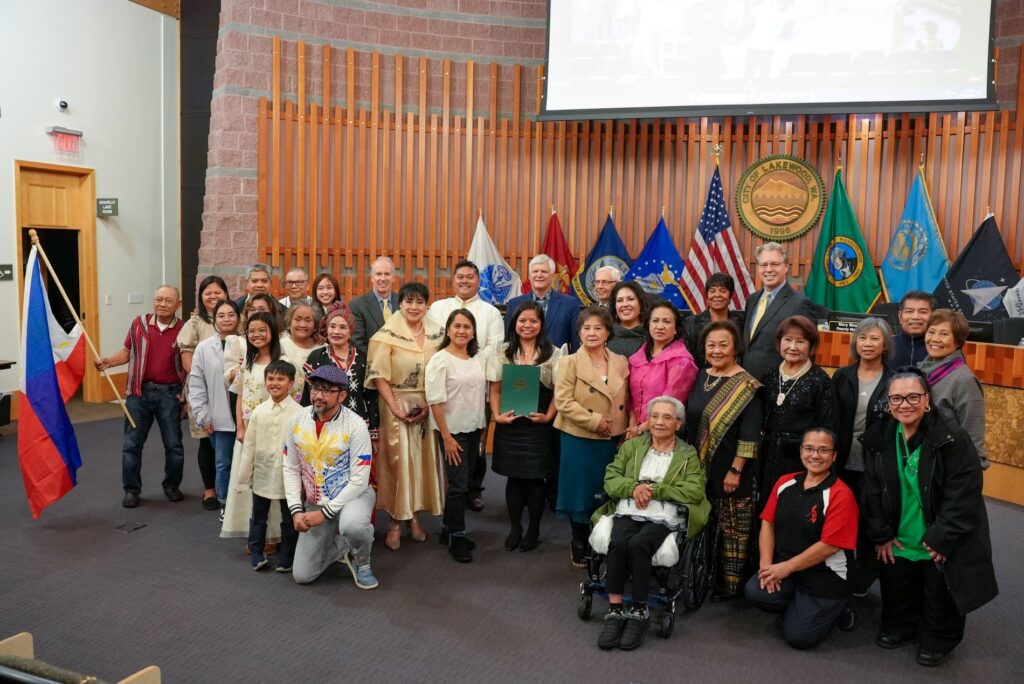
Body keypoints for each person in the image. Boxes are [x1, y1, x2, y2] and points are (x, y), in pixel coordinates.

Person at [861, 368, 997, 667]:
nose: (904, 404)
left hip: (938, 533)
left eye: (913, 397)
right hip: (898, 531)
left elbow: (964, 494)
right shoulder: (879, 436)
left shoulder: (952, 438)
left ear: (927, 401)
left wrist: (943, 537)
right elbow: (871, 488)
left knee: (939, 590)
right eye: (896, 398)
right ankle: (900, 626)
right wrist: (880, 532)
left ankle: (937, 638)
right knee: (897, 584)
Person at [593, 396, 710, 652]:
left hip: (665, 514)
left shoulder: (687, 454)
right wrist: (634, 487)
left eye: (667, 417)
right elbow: (611, 478)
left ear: (678, 424)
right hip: (628, 508)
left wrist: (655, 490)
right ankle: (614, 610)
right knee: (619, 542)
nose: (659, 422)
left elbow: (694, 490)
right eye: (655, 416)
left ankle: (638, 611)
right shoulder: (632, 447)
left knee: (639, 544)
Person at [745, 428, 858, 649]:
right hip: (788, 567)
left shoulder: (840, 494)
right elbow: (767, 523)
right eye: (809, 449)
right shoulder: (784, 482)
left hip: (825, 576)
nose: (815, 455)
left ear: (834, 456)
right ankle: (802, 607)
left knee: (799, 637)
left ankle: (839, 607)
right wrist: (767, 566)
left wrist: (784, 569)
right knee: (755, 592)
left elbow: (829, 546)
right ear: (800, 451)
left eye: (824, 450)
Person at [684, 320, 763, 601]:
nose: (716, 350)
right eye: (711, 345)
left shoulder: (747, 385)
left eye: (723, 345)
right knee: (707, 522)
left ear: (736, 348)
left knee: (732, 529)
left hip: (731, 471)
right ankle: (704, 576)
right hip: (700, 466)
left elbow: (750, 435)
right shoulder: (701, 375)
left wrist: (735, 470)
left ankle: (729, 587)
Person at [284, 365, 379, 590]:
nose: (318, 395)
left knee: (353, 526)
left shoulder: (355, 425)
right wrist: (296, 509)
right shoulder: (297, 420)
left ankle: (362, 561)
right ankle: (342, 546)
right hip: (316, 501)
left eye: (327, 390)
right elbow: (289, 467)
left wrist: (324, 514)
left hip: (354, 495)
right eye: (316, 388)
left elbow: (359, 480)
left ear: (342, 395)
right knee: (302, 575)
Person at [365, 281, 444, 551]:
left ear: (426, 305)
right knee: (398, 464)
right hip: (395, 403)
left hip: (427, 404)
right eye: (408, 301)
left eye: (419, 302)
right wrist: (395, 408)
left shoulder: (437, 334)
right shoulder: (386, 335)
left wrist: (429, 405)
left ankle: (415, 517)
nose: (414, 306)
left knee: (420, 463)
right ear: (400, 304)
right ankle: (396, 522)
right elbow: (379, 378)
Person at [95, 285, 186, 508]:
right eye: (158, 299)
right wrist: (109, 361)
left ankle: (172, 486)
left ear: (178, 305)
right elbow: (127, 352)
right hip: (138, 393)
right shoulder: (139, 324)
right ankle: (131, 490)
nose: (162, 304)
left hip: (170, 394)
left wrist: (188, 400)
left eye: (168, 301)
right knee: (132, 444)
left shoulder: (185, 330)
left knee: (174, 444)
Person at [554, 306, 630, 567]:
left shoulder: (621, 361)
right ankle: (578, 541)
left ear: (608, 332)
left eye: (598, 328)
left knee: (605, 490)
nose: (592, 332)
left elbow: (628, 401)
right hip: (579, 436)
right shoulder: (569, 362)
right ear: (579, 332)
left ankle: (602, 540)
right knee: (580, 491)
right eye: (586, 328)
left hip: (612, 437)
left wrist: (626, 429)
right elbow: (563, 402)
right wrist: (594, 421)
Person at [427, 259, 505, 511]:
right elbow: (431, 343)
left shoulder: (491, 312)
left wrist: (474, 371)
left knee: (476, 446)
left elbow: (493, 348)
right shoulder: (438, 308)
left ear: (478, 281)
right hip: (445, 382)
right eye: (460, 276)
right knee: (450, 446)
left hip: (477, 385)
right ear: (453, 280)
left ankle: (473, 489)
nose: (464, 281)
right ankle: (449, 492)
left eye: (470, 277)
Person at [488, 301, 562, 552]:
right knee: (514, 478)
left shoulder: (553, 353)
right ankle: (515, 527)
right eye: (522, 320)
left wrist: (548, 416)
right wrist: (497, 416)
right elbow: (495, 389)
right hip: (509, 424)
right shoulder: (503, 351)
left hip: (538, 425)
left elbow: (559, 393)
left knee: (535, 479)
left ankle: (533, 528)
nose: (527, 325)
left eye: (533, 321)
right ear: (514, 323)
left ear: (541, 324)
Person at [831, 317, 894, 595]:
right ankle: (839, 573)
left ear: (885, 345)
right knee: (841, 518)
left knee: (871, 520)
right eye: (863, 338)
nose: (867, 344)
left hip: (875, 466)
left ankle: (864, 578)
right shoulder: (842, 376)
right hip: (842, 461)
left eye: (874, 339)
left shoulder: (895, 379)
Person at [426, 309, 488, 563]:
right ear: (448, 329)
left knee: (466, 482)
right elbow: (435, 401)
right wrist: (447, 437)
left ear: (473, 332)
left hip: (473, 428)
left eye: (467, 326)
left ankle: (446, 529)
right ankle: (457, 536)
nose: (462, 331)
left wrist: (483, 431)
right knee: (459, 485)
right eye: (457, 326)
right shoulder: (440, 360)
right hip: (453, 431)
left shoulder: (476, 358)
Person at [758, 315, 837, 507]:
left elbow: (828, 427)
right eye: (788, 340)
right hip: (766, 459)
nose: (793, 347)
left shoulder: (820, 380)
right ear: (779, 343)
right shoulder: (769, 375)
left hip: (801, 461)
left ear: (811, 346)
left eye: (800, 341)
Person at [221, 311, 283, 539]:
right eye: (251, 331)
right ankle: (252, 532)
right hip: (248, 431)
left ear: (272, 332)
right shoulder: (246, 363)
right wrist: (240, 427)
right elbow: (239, 395)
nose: (256, 335)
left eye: (262, 330)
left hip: (274, 431)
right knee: (248, 481)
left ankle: (273, 534)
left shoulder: (282, 362)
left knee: (271, 480)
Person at [237, 360, 302, 572]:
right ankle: (256, 551)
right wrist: (244, 476)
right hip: (263, 473)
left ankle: (288, 555)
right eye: (271, 379)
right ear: (265, 382)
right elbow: (250, 446)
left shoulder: (300, 413)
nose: (275, 383)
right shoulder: (258, 412)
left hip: (288, 475)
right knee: (258, 516)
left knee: (288, 515)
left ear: (291, 383)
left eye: (281, 379)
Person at [178, 275, 230, 510]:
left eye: (217, 292)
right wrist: (208, 381)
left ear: (226, 294)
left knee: (229, 442)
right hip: (204, 389)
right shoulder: (196, 322)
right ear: (200, 296)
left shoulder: (233, 319)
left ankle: (230, 490)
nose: (212, 297)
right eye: (207, 293)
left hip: (231, 390)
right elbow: (187, 356)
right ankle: (210, 490)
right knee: (206, 441)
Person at [918, 309, 988, 469]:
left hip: (952, 467)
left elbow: (973, 435)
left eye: (944, 334)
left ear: (958, 341)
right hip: (926, 462)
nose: (935, 339)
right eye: (931, 332)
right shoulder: (925, 370)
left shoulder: (964, 380)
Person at [187, 299, 239, 510]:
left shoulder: (248, 342)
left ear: (238, 317)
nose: (226, 319)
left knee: (245, 465)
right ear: (214, 319)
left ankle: (242, 507)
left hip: (246, 416)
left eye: (231, 314)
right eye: (221, 315)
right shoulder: (204, 347)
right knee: (223, 463)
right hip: (219, 417)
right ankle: (225, 505)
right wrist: (203, 415)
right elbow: (196, 383)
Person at [743, 243, 818, 380]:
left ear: (785, 267)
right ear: (758, 268)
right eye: (764, 265)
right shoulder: (752, 299)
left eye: (775, 264)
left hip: (778, 385)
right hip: (746, 382)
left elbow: (808, 351)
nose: (769, 269)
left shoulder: (800, 304)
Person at [625, 299, 697, 439]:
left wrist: (640, 429)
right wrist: (632, 426)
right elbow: (631, 398)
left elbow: (669, 404)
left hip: (662, 433)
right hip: (634, 431)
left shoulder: (681, 361)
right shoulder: (638, 356)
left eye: (667, 321)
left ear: (676, 328)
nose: (660, 326)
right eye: (655, 321)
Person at [504, 254, 579, 351]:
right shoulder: (514, 304)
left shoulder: (570, 304)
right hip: (523, 363)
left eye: (544, 271)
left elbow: (575, 342)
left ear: (552, 276)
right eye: (535, 271)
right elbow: (508, 340)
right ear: (530, 276)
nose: (539, 275)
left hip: (558, 363)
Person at [684, 273, 746, 369]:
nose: (717, 295)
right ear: (707, 296)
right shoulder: (691, 323)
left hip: (734, 378)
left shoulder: (742, 321)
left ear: (731, 295)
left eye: (723, 291)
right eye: (712, 291)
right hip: (702, 377)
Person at [350, 257, 398, 351]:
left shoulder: (403, 303)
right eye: (378, 274)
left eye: (387, 274)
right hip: (370, 363)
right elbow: (357, 343)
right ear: (372, 278)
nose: (383, 278)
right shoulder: (357, 306)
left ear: (393, 278)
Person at [280, 302, 321, 402]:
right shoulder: (280, 346)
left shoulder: (323, 348)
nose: (302, 324)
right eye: (297, 319)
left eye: (308, 320)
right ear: (289, 323)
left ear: (315, 325)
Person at [606, 281, 649, 358]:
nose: (625, 304)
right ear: (615, 306)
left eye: (630, 299)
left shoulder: (653, 335)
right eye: (620, 300)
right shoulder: (605, 335)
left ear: (641, 303)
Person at [891, 291, 934, 368]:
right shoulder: (886, 346)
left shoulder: (939, 347)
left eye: (923, 312)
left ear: (933, 316)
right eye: (909, 311)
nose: (915, 317)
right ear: (900, 316)